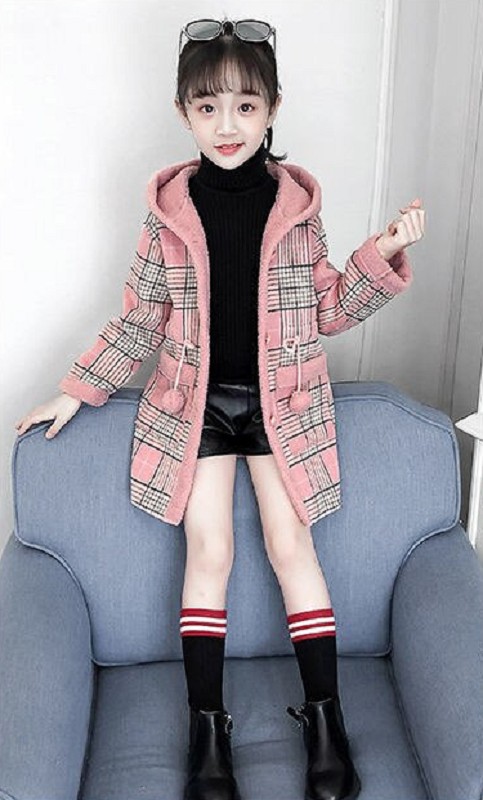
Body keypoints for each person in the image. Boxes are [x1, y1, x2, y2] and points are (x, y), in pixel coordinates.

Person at [14, 17, 425, 800]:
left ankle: (325, 721)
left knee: (291, 545)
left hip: (283, 405)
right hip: (194, 408)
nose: (226, 124)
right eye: (207, 107)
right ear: (183, 113)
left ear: (272, 108)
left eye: (244, 105)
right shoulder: (166, 213)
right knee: (208, 553)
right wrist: (77, 389)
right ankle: (207, 728)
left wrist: (381, 255)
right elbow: (142, 318)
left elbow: (327, 309)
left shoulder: (296, 207)